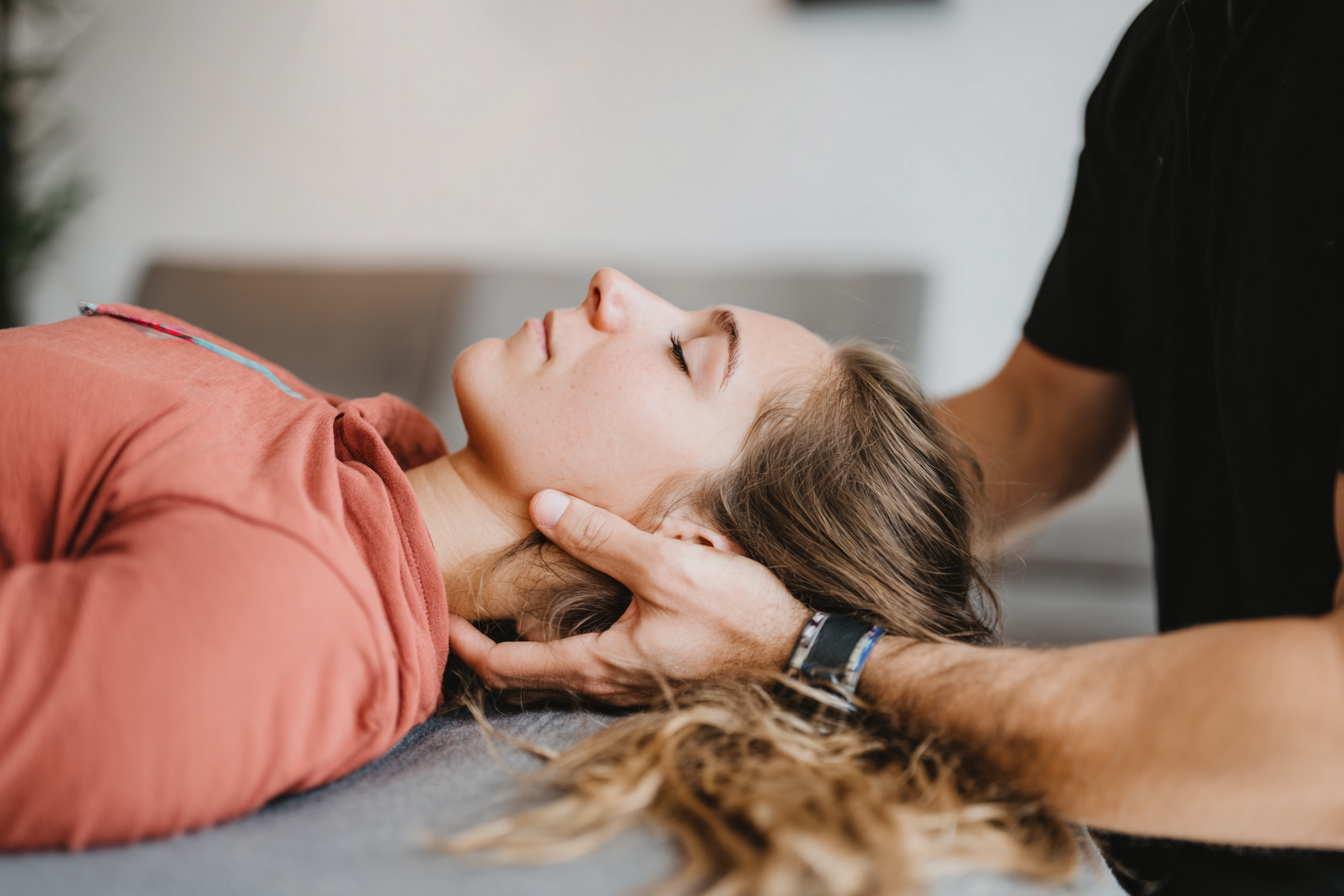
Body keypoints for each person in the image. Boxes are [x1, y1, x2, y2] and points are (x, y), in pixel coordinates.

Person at [449, 2, 1344, 894]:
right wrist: (754, 542)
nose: (612, 284)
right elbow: (1041, 419)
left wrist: (801, 641)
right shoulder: (1176, 51)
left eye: (687, 352)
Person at [0, 268, 1076, 892]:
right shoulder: (343, 467)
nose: (616, 285)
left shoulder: (289, 609)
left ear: (691, 551)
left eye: (685, 353)